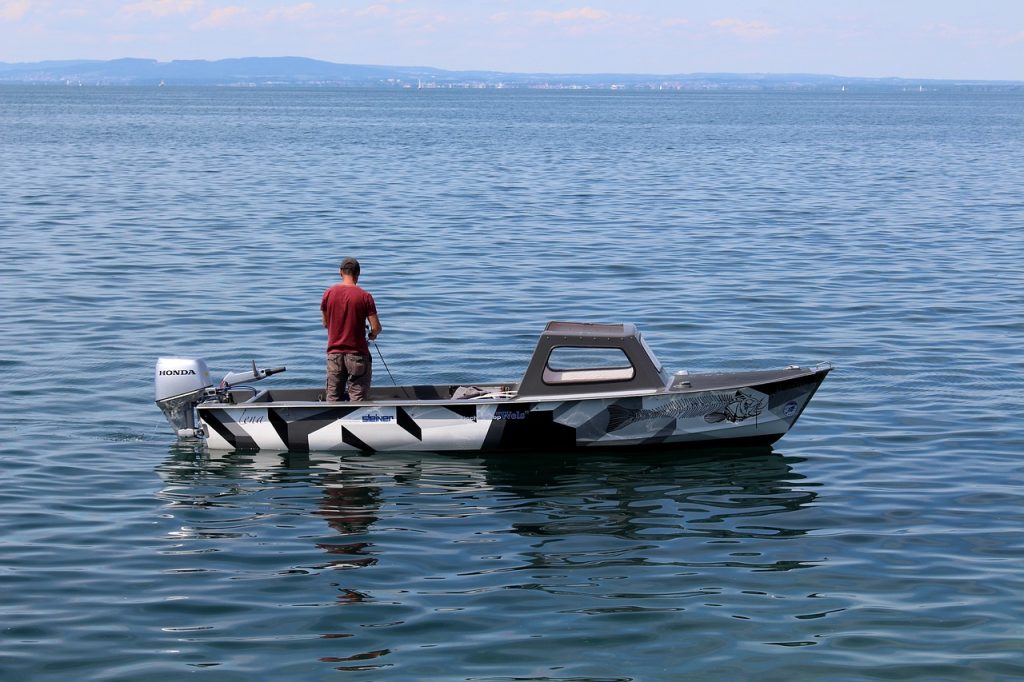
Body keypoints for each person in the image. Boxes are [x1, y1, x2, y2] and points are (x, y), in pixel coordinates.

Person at [321, 257, 382, 401]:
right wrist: (372, 334)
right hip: (357, 355)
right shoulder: (365, 296)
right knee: (357, 400)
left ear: (340, 272)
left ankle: (334, 422)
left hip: (334, 355)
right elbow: (376, 327)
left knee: (333, 399)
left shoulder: (328, 294)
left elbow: (325, 323)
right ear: (358, 274)